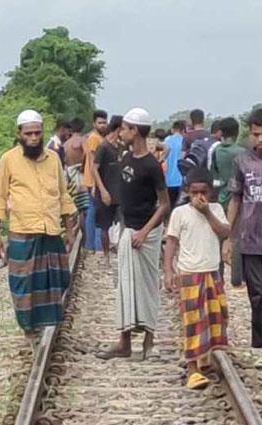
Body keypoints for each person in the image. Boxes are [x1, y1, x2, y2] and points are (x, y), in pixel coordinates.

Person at [0, 110, 76, 338]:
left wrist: (69, 229)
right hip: (22, 232)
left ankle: (48, 324)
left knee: (56, 279)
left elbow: (63, 195)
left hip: (50, 231)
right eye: (29, 133)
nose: (34, 138)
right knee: (23, 284)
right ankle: (29, 328)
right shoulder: (8, 160)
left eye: (38, 133)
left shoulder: (53, 159)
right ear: (19, 134)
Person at [97, 107, 170, 361]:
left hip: (145, 234)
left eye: (126, 128)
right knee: (125, 287)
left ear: (135, 131)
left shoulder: (151, 165)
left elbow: (163, 203)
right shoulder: (126, 157)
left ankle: (149, 342)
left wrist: (145, 231)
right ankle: (124, 341)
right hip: (128, 230)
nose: (121, 133)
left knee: (148, 287)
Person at [222, 108, 262, 374]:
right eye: (256, 134)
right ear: (249, 133)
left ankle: (259, 330)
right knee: (259, 294)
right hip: (250, 239)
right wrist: (229, 236)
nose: (261, 139)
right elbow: (235, 198)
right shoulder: (242, 162)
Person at [164, 167, 230, 390]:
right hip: (189, 273)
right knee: (193, 321)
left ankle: (206, 360)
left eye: (204, 192)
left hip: (211, 271)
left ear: (210, 192)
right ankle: (192, 367)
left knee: (215, 317)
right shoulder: (180, 213)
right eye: (194, 192)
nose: (199, 197)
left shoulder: (217, 209)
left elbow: (224, 232)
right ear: (187, 192)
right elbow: (171, 242)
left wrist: (207, 213)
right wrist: (168, 271)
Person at [211, 117, 247, 289]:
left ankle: (218, 276)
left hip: (220, 197)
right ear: (237, 132)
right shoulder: (242, 152)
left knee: (218, 237)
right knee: (236, 235)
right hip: (238, 197)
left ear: (221, 133)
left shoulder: (216, 151)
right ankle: (237, 277)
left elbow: (213, 175)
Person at [92, 115, 124, 265]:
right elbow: (94, 168)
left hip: (120, 192)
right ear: (118, 129)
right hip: (106, 192)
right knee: (105, 225)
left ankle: (122, 253)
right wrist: (102, 190)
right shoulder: (103, 147)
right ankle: (106, 256)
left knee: (123, 222)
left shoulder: (122, 147)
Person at [83, 109, 109, 252]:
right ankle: (93, 245)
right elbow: (93, 162)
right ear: (94, 123)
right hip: (93, 181)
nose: (103, 125)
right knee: (94, 213)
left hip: (96, 181)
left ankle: (93, 245)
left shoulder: (100, 138)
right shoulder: (94, 138)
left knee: (94, 212)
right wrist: (94, 184)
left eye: (105, 122)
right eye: (100, 123)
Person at [163, 121, 185, 212]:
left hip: (168, 179)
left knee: (169, 206)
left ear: (173, 129)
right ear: (183, 130)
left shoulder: (167, 141)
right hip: (181, 179)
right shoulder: (184, 141)